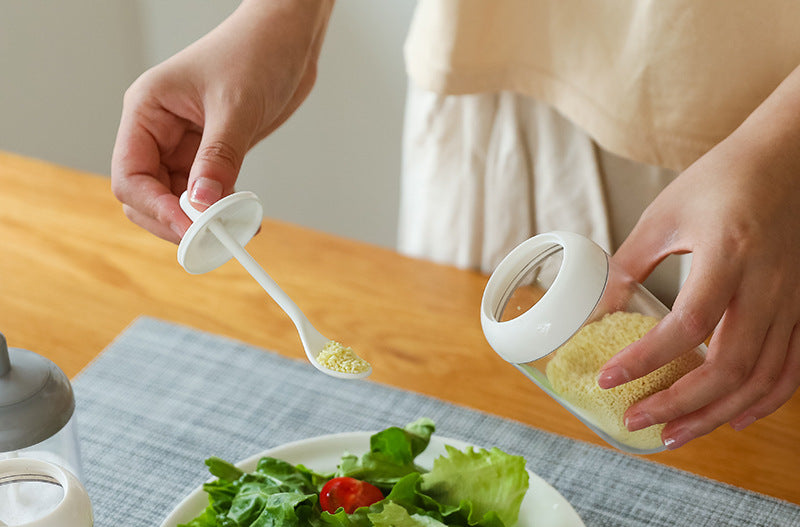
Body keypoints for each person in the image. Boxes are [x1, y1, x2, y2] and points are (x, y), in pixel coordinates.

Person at [111, 0, 800, 451]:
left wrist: (782, 152)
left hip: (766, 153)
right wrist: (286, 12)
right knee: (474, 421)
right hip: (494, 104)